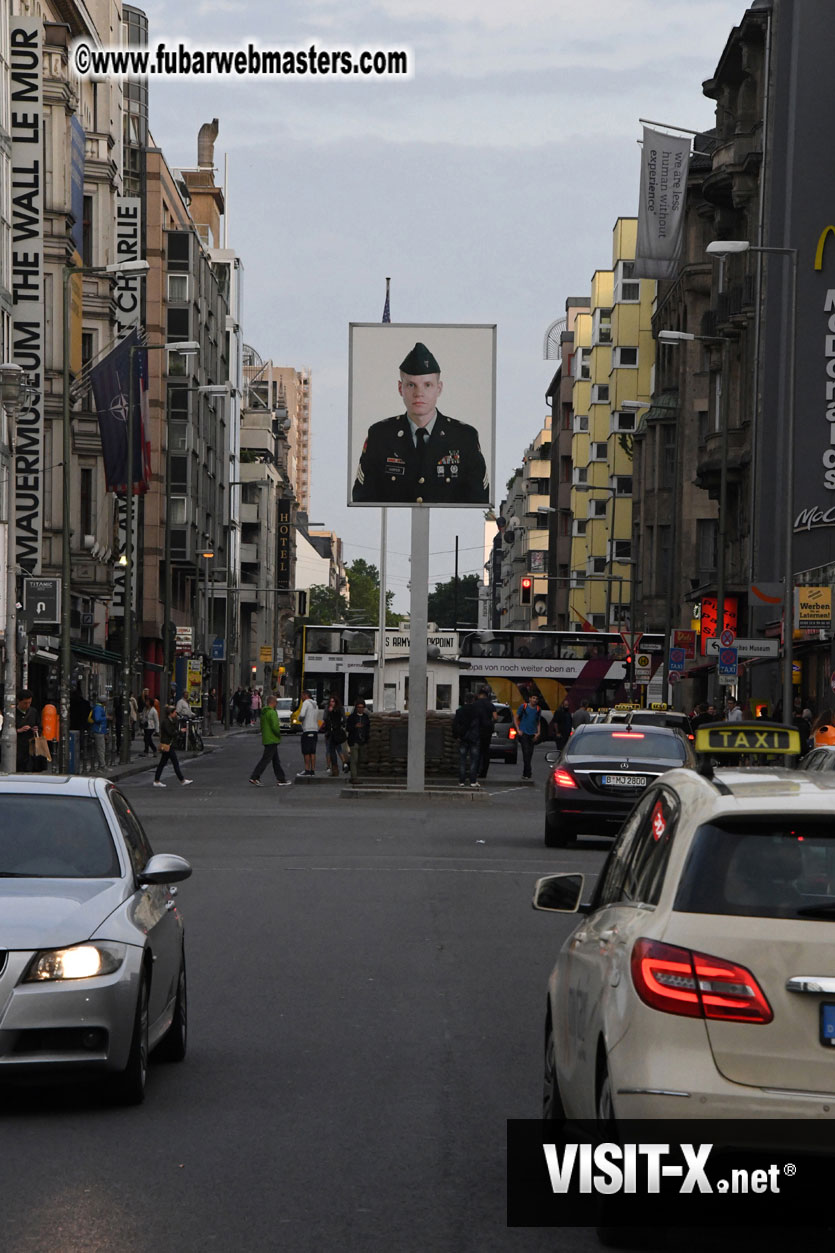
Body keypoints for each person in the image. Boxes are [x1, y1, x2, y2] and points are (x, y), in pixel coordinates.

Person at [351, 342, 490, 505]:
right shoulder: (380, 436)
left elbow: (479, 500)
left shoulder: (464, 437)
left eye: (427, 385)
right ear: (400, 388)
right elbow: (363, 499)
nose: (419, 393)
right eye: (411, 385)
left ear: (439, 388)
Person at [249, 693, 292, 787]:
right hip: (272, 739)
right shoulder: (272, 712)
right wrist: (278, 735)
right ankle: (255, 777)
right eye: (276, 702)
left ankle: (281, 778)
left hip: (267, 738)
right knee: (266, 760)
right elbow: (275, 726)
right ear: (272, 702)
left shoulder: (264, 712)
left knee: (276, 761)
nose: (277, 704)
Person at [153, 705, 193, 787]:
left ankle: (157, 780)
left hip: (168, 744)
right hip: (168, 744)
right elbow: (171, 732)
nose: (175, 714)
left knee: (162, 763)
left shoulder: (171, 720)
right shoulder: (166, 722)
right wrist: (180, 731)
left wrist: (177, 722)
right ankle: (182, 780)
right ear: (170, 713)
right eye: (174, 712)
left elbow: (174, 729)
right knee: (175, 762)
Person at [452, 693, 482, 788]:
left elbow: (455, 725)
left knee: (462, 760)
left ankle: (461, 781)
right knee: (474, 760)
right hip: (474, 738)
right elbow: (482, 724)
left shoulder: (460, 711)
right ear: (473, 700)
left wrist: (456, 736)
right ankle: (473, 781)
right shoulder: (478, 711)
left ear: (465, 700)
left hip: (463, 737)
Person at [514, 692, 541, 780]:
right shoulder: (523, 707)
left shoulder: (538, 709)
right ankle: (528, 773)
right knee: (525, 753)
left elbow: (538, 722)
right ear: (529, 699)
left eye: (536, 699)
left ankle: (526, 773)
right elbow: (516, 718)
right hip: (524, 733)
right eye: (533, 698)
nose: (535, 700)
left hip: (532, 734)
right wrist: (518, 729)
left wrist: (538, 733)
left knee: (530, 754)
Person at [473, 687, 498, 779]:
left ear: (479, 695)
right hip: (487, 730)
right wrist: (491, 722)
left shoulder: (475, 704)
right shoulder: (491, 705)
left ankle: (475, 770)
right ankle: (484, 772)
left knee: (477, 750)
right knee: (486, 751)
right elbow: (495, 717)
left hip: (477, 729)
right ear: (486, 696)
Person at [321, 694, 348, 776]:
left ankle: (331, 767)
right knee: (337, 748)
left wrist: (330, 712)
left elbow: (325, 718)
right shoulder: (340, 708)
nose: (331, 703)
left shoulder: (332, 709)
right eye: (330, 701)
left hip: (332, 732)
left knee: (330, 749)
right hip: (335, 732)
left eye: (333, 701)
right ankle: (343, 763)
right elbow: (344, 719)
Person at [346, 699, 371, 784]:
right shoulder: (352, 717)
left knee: (361, 759)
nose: (360, 709)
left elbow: (368, 728)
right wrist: (355, 726)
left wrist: (366, 738)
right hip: (354, 740)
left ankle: (355, 774)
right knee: (354, 759)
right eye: (359, 707)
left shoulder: (365, 717)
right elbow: (348, 728)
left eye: (362, 707)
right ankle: (354, 777)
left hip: (362, 740)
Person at [297, 689, 320, 777]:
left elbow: (302, 715)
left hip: (307, 729)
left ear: (306, 695)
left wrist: (299, 719)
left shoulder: (306, 703)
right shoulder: (315, 705)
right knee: (312, 751)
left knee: (306, 751)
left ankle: (307, 770)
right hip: (315, 729)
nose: (301, 698)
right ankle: (312, 770)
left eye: (302, 696)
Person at [15, 690, 38, 773]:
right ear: (19, 701)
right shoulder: (13, 713)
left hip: (30, 745)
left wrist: (35, 729)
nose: (27, 705)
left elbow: (38, 725)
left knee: (29, 767)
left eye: (29, 703)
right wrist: (18, 730)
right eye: (25, 703)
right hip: (17, 746)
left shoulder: (33, 712)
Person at [91, 697, 108, 771]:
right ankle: (102, 766)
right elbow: (97, 719)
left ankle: (101, 766)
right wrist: (105, 718)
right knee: (101, 749)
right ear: (103, 702)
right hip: (99, 731)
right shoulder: (98, 708)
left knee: (101, 749)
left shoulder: (99, 708)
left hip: (100, 730)